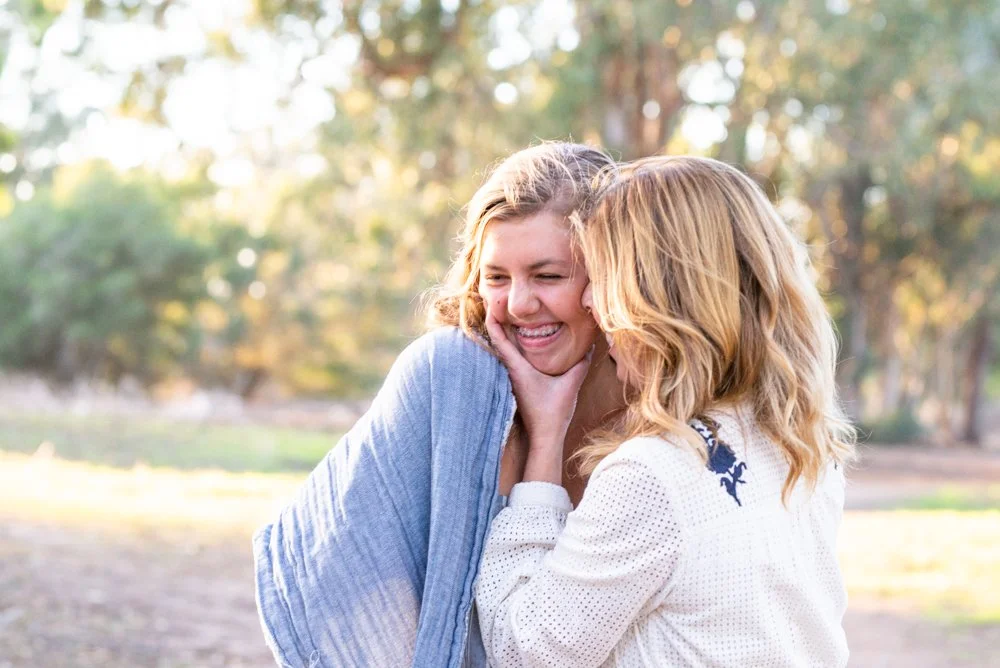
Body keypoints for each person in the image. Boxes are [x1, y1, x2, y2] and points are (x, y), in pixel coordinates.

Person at [476, 155, 857, 667]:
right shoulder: (797, 437)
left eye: (607, 276)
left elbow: (523, 652)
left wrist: (544, 441)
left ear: (662, 295)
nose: (590, 299)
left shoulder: (653, 475)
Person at [253, 142, 624, 667]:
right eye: (497, 277)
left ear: (610, 277)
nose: (518, 305)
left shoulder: (647, 388)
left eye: (548, 276)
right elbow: (344, 573)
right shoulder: (454, 375)